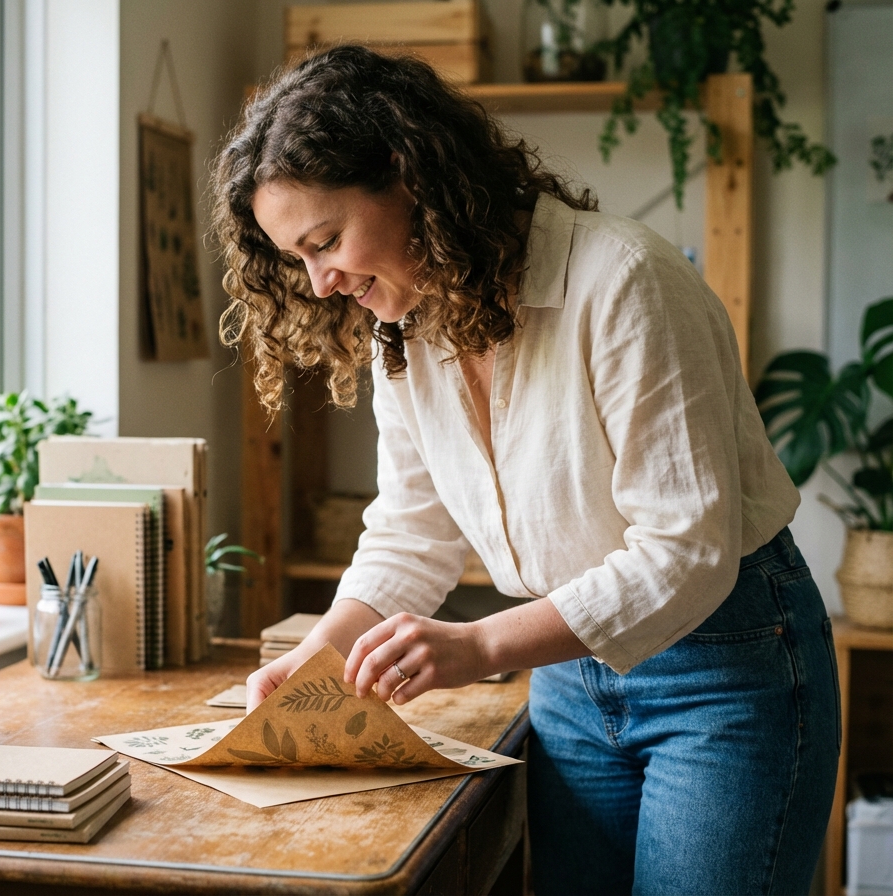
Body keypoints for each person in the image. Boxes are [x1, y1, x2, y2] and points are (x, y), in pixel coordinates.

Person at [209, 45, 839, 896]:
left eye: (325, 241)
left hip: (723, 666)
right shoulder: (408, 330)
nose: (320, 283)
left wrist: (479, 645)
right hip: (568, 674)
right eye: (299, 259)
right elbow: (409, 535)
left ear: (408, 173)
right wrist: (319, 658)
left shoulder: (624, 281)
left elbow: (686, 554)